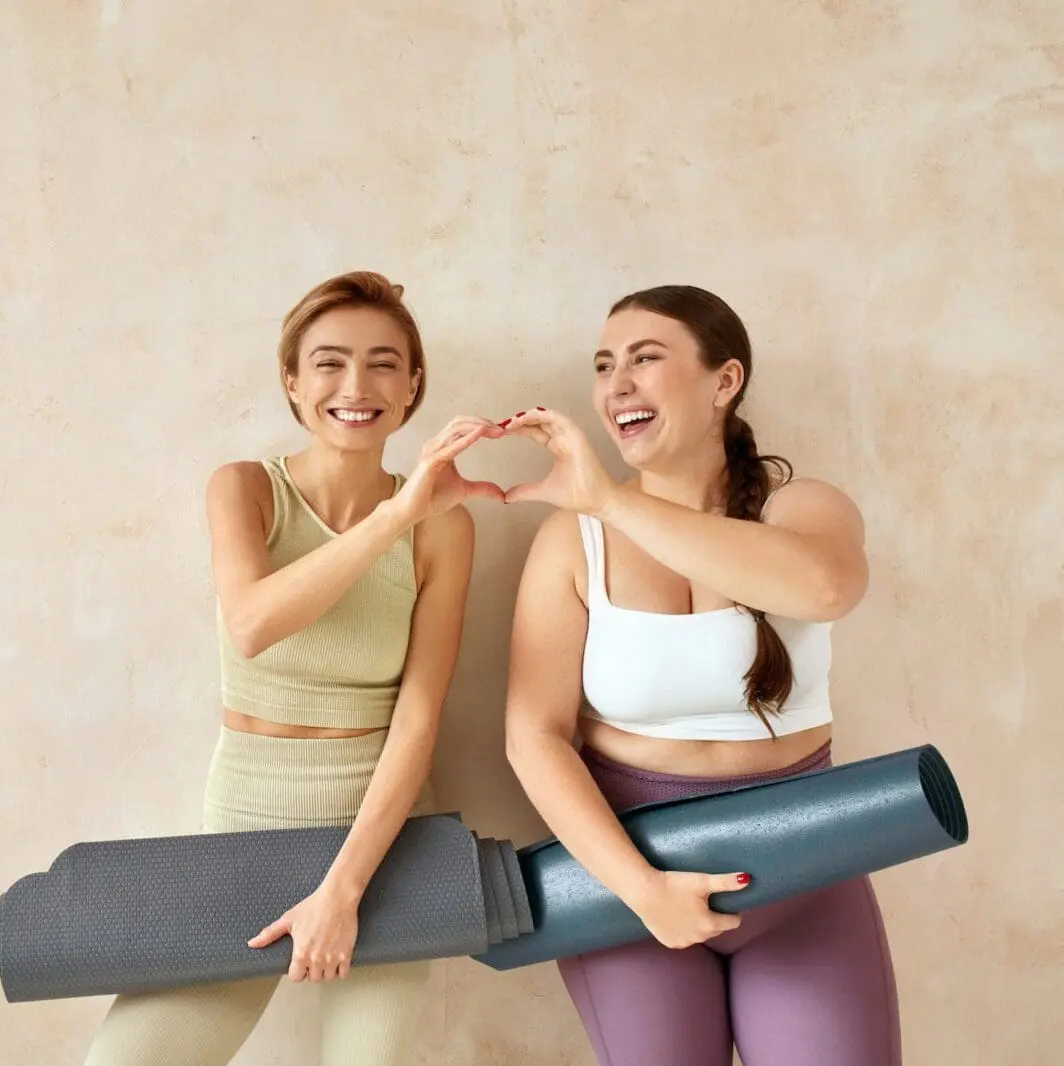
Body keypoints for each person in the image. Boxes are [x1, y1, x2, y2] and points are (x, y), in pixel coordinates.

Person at [82, 271, 503, 1065]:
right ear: (292, 382)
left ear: (413, 385)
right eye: (329, 362)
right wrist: (396, 514)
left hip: (387, 843)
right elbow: (252, 624)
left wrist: (344, 890)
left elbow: (418, 719)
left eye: (384, 363)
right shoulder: (245, 488)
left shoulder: (448, 530)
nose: (356, 385)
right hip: (246, 821)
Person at [498, 284, 899, 1066]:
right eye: (605, 365)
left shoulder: (799, 507)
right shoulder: (569, 544)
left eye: (646, 359)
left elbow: (826, 588)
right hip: (626, 891)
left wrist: (611, 501)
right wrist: (642, 891)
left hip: (807, 878)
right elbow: (533, 735)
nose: (617, 385)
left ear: (725, 381)